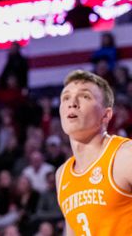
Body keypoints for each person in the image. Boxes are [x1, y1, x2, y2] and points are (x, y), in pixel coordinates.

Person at [56, 69, 132, 235]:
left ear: (105, 115)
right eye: (66, 97)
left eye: (85, 96)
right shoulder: (62, 175)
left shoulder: (125, 156)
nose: (72, 102)